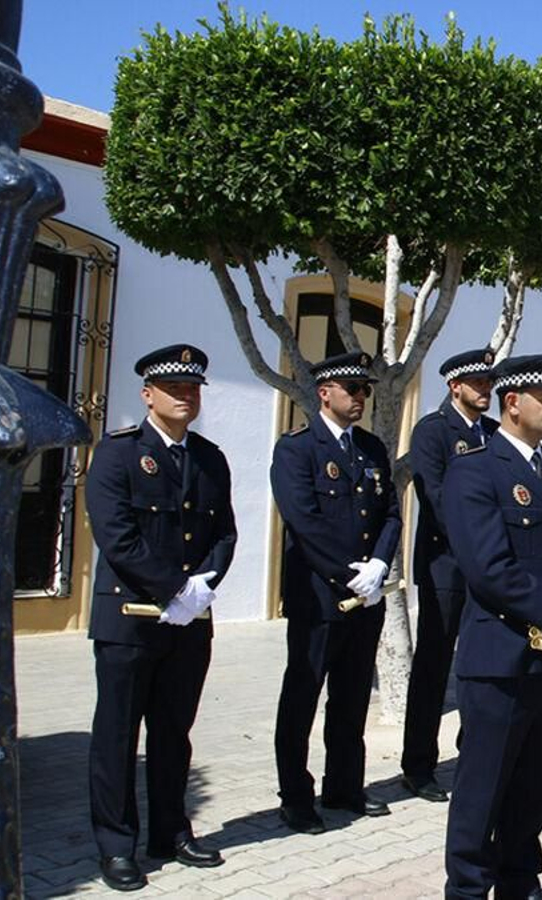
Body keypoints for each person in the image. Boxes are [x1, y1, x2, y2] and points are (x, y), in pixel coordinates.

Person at [440, 353, 542, 898]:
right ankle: (465, 889)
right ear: (513, 403)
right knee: (482, 789)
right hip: (501, 659)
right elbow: (489, 569)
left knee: (536, 785)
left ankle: (519, 881)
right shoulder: (474, 469)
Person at [86, 345, 235, 891]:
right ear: (148, 394)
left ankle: (170, 830)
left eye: (193, 388)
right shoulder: (118, 454)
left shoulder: (210, 458)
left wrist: (203, 588)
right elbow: (117, 536)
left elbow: (224, 533)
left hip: (189, 620)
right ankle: (116, 844)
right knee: (117, 735)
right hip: (130, 617)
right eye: (175, 389)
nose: (186, 397)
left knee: (174, 732)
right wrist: (175, 587)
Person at [271, 352, 401, 835]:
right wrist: (350, 574)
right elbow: (302, 520)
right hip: (319, 596)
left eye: (364, 390)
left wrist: (380, 564)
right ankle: (295, 795)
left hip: (366, 597)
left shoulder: (370, 448)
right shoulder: (297, 449)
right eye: (352, 389)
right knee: (302, 696)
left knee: (351, 697)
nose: (360, 397)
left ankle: (345, 786)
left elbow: (390, 512)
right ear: (325, 392)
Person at [401, 348, 498, 802]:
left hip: (487, 568)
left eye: (489, 383)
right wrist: (480, 542)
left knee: (479, 663)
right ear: (454, 386)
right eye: (477, 383)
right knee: (434, 668)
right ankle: (418, 765)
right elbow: (436, 497)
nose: (486, 389)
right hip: (447, 565)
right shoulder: (433, 432)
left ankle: (471, 757)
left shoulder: (494, 434)